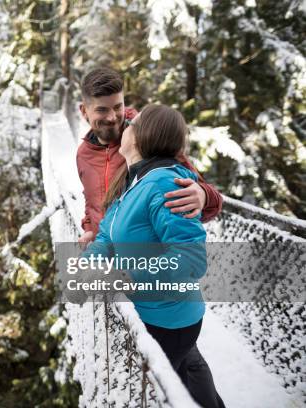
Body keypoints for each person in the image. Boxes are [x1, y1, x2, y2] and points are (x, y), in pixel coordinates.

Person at [85, 104, 225, 408]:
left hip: (168, 321)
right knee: (189, 382)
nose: (125, 128)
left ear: (141, 136)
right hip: (157, 314)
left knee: (167, 395)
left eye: (132, 125)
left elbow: (191, 260)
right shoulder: (134, 180)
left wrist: (126, 275)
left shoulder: (163, 184)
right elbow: (108, 233)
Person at [76, 66, 222, 244]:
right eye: (102, 110)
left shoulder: (146, 140)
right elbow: (91, 202)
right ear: (84, 111)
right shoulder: (84, 154)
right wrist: (90, 230)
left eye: (117, 107)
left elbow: (207, 196)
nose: (112, 117)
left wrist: (203, 195)